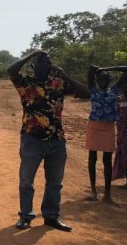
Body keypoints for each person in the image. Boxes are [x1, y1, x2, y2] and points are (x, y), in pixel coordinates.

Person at [8, 51, 90, 231]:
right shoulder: (25, 83)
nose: (46, 65)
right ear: (33, 66)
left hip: (56, 140)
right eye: (42, 62)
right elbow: (11, 70)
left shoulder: (58, 84)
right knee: (26, 181)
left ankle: (51, 217)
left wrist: (65, 76)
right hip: (31, 140)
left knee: (55, 183)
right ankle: (26, 216)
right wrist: (32, 53)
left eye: (49, 62)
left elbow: (86, 93)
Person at [85, 65, 127, 204]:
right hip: (93, 127)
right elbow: (91, 69)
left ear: (109, 79)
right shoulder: (92, 89)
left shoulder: (115, 89)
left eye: (106, 78)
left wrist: (107, 68)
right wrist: (97, 70)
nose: (103, 80)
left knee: (107, 161)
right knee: (92, 159)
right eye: (100, 78)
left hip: (109, 128)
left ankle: (107, 195)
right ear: (97, 80)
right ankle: (93, 192)